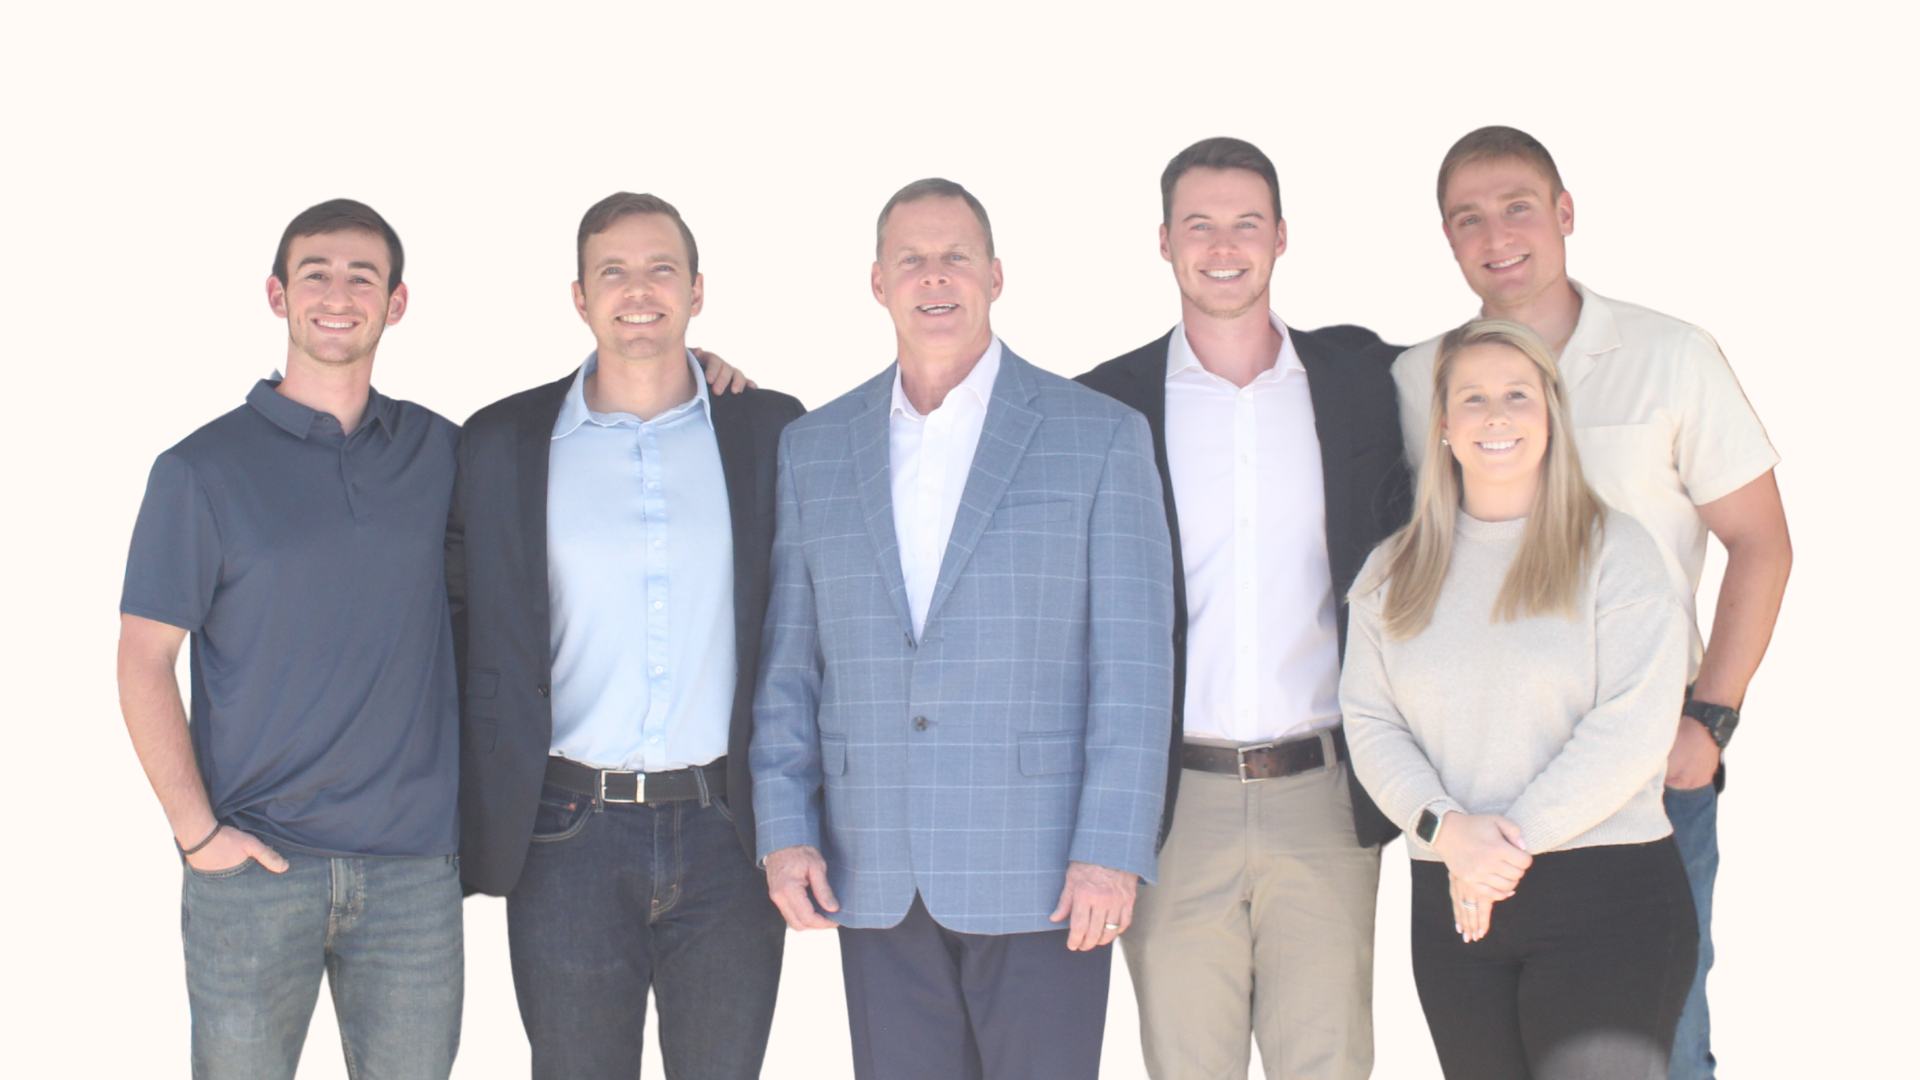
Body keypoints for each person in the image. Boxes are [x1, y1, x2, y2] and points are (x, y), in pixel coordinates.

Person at [750, 178, 1175, 1080]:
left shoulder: (1098, 436)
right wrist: (786, 830)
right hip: (874, 867)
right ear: (878, 282)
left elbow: (1134, 667)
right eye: (912, 259)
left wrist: (1111, 851)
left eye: (956, 257)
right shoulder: (814, 448)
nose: (934, 277)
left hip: (1047, 872)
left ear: (995, 275)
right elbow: (790, 662)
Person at [1392, 126, 1791, 1080]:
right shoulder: (1415, 380)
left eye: (1518, 206)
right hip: (1478, 796)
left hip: (1642, 778)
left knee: (1661, 1044)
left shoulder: (1671, 356)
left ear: (1566, 214)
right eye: (1468, 218)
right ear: (1447, 240)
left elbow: (1761, 543)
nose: (1498, 234)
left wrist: (1710, 720)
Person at [446, 192, 802, 1080]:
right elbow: (455, 623)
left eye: (660, 269)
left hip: (729, 829)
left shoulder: (768, 430)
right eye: (613, 271)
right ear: (578, 297)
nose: (637, 290)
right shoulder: (500, 442)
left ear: (697, 290)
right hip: (565, 831)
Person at [1077, 136, 1408, 1080]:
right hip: (1172, 806)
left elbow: (1500, 369)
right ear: (1165, 241)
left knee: (1331, 1065)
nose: (1224, 246)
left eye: (1246, 223)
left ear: (1281, 237)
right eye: (1200, 224)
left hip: (1326, 795)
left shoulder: (1363, 384)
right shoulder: (1106, 404)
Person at [116, 199, 463, 1080]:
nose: (338, 295)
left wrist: (698, 370)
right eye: (316, 274)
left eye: (363, 277)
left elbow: (576, 440)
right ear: (277, 295)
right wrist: (199, 839)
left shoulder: (445, 452)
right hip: (255, 869)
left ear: (398, 302)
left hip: (414, 877)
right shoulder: (200, 470)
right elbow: (142, 659)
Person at [1343, 318, 1698, 1079]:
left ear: (1552, 416)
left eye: (1517, 395)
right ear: (1442, 426)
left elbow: (1633, 728)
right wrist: (1449, 834)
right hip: (1454, 910)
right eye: (1472, 399)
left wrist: (1495, 850)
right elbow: (1372, 725)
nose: (1496, 416)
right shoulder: (1390, 573)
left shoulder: (1618, 553)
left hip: (1608, 900)